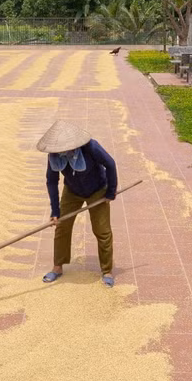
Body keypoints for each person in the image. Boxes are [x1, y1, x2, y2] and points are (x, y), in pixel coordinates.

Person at [38, 119, 119, 287]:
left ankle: (107, 271)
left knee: (102, 231)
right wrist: (55, 211)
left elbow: (110, 164)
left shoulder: (91, 147)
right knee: (62, 227)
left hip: (97, 190)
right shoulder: (53, 155)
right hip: (72, 191)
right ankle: (57, 267)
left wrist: (110, 192)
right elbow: (52, 181)